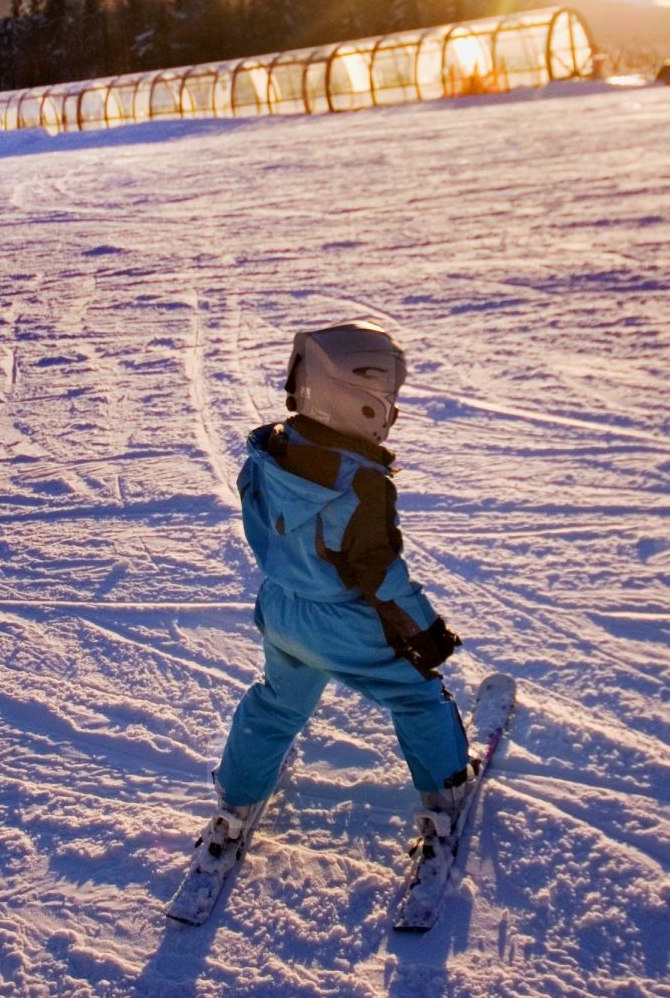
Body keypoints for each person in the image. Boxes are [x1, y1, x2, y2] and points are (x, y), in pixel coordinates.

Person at [198, 321, 477, 857]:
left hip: (282, 612)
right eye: (386, 398)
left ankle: (234, 807)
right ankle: (445, 802)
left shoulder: (271, 454)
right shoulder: (362, 486)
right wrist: (427, 634)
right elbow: (381, 575)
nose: (392, 411)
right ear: (359, 402)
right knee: (418, 696)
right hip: (345, 625)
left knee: (278, 702)